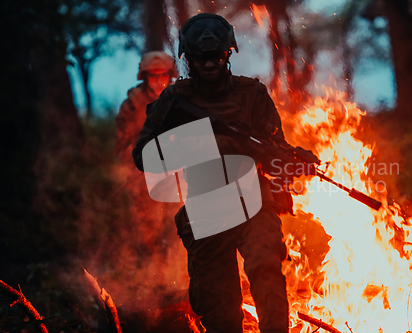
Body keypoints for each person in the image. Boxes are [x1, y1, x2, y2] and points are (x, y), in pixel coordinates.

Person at [132, 14, 290, 333]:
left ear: (228, 54)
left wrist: (289, 164)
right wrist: (210, 144)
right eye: (199, 58)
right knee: (220, 310)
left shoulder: (252, 94)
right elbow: (143, 155)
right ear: (187, 59)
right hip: (206, 207)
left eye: (215, 57)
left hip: (254, 202)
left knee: (266, 270)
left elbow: (276, 150)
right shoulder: (175, 100)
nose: (208, 64)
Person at [114, 52, 177, 263]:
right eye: (153, 76)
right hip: (144, 177)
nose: (159, 82)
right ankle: (152, 276)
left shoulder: (180, 98)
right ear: (145, 77)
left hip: (179, 174)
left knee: (182, 230)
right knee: (148, 235)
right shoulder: (132, 105)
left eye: (163, 76)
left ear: (171, 75)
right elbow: (122, 147)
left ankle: (179, 270)